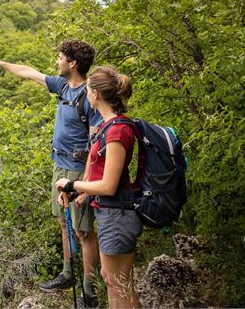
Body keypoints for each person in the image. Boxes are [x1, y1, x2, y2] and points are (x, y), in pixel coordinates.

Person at [0, 40, 101, 307]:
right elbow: (29, 72)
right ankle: (67, 274)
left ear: (72, 63)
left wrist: (84, 186)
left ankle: (90, 292)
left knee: (84, 231)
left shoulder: (90, 96)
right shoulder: (62, 86)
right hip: (58, 164)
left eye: (60, 57)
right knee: (63, 222)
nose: (56, 61)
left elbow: (96, 146)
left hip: (78, 169)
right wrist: (2, 64)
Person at [55, 65, 142, 309]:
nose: (86, 94)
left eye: (88, 90)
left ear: (96, 95)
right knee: (113, 280)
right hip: (110, 213)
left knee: (119, 285)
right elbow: (102, 177)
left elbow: (109, 185)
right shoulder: (109, 126)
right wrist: (78, 192)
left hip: (117, 215)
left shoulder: (116, 131)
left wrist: (72, 183)